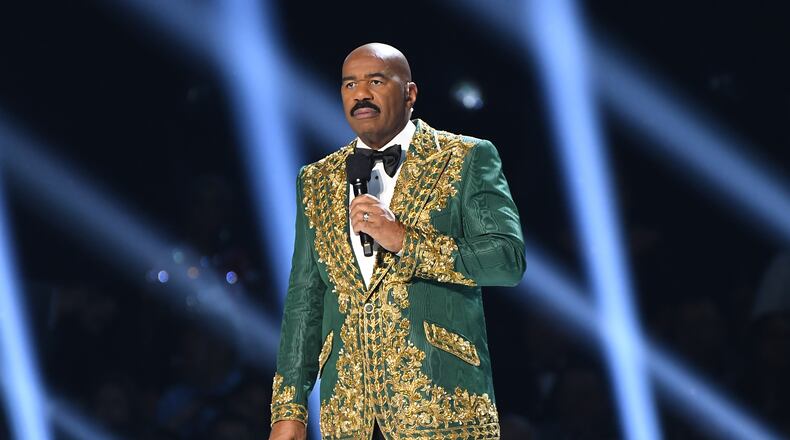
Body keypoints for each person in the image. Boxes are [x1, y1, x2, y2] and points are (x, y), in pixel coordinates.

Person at [269, 42, 525, 440]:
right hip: (349, 415)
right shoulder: (316, 180)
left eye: (376, 81)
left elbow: (507, 260)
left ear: (410, 93)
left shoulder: (465, 158)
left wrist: (406, 240)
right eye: (349, 84)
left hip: (441, 408)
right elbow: (305, 298)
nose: (361, 94)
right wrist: (289, 411)